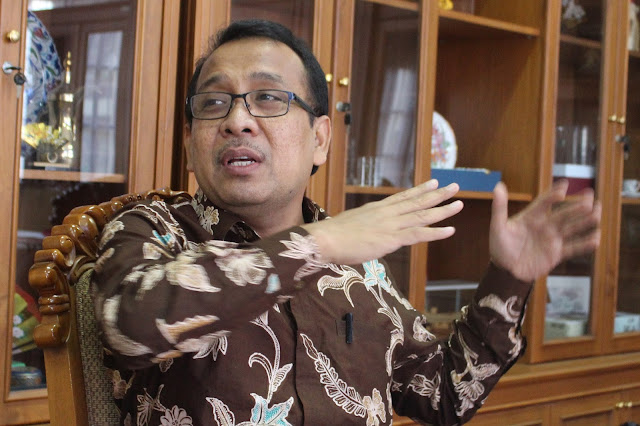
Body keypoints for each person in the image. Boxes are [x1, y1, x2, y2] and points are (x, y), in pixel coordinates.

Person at [92, 19, 601, 425]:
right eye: (214, 103)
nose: (237, 120)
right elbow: (128, 326)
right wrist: (314, 245)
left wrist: (509, 276)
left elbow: (446, 394)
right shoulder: (152, 230)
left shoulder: (358, 265)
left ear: (320, 140)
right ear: (189, 142)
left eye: (268, 98)